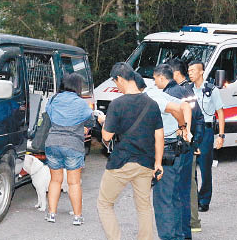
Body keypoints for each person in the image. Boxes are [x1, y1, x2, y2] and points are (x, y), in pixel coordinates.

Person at [97, 62, 165, 240]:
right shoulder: (152, 104)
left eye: (115, 82)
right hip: (146, 163)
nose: (116, 87)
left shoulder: (117, 104)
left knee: (104, 203)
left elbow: (106, 137)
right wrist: (158, 163)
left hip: (121, 162)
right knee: (143, 206)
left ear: (119, 79)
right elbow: (159, 136)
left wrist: (104, 121)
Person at [134, 70, 192, 240]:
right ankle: (179, 236)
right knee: (174, 197)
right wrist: (185, 129)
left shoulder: (150, 98)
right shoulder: (156, 92)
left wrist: (182, 127)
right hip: (177, 149)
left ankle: (170, 237)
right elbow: (185, 105)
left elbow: (176, 109)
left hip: (166, 149)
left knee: (163, 200)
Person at [153, 63, 204, 239]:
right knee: (183, 193)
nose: (154, 83)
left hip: (175, 148)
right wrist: (194, 140)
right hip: (188, 147)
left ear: (163, 77)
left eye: (155, 79)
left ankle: (176, 235)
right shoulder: (187, 90)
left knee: (170, 196)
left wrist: (183, 130)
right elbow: (199, 116)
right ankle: (185, 234)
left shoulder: (167, 95)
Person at [44, 73, 93, 226]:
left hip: (52, 143)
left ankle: (51, 214)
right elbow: (89, 121)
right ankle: (77, 217)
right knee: (74, 183)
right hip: (73, 145)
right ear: (77, 86)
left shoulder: (53, 99)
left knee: (55, 180)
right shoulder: (81, 103)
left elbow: (49, 116)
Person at [168, 58, 204, 233]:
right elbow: (199, 118)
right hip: (189, 143)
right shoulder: (188, 90)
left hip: (183, 144)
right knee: (188, 183)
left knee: (185, 184)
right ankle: (191, 221)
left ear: (175, 73)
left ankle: (190, 222)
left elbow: (195, 119)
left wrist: (193, 141)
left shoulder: (179, 92)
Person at [188, 60, 225, 213]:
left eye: (193, 70)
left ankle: (204, 200)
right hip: (191, 131)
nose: (190, 73)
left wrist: (221, 135)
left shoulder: (211, 90)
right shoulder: (187, 90)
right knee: (191, 168)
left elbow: (220, 112)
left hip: (206, 131)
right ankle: (194, 199)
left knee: (205, 167)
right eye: (188, 71)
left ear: (201, 72)